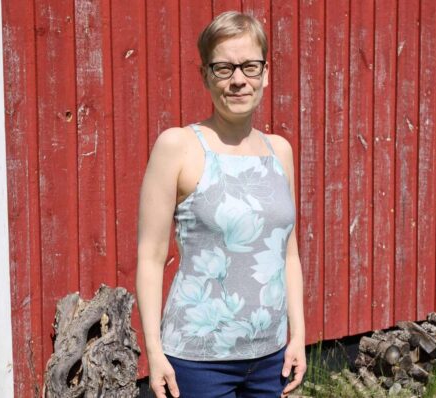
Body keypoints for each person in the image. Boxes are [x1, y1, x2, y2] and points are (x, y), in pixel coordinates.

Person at [136, 11, 307, 398]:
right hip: (196, 362)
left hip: (272, 358)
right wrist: (155, 352)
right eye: (224, 67)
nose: (238, 79)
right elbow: (150, 256)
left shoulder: (279, 152)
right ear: (205, 75)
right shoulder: (177, 147)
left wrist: (297, 336)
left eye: (249, 66)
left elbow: (288, 256)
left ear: (266, 72)